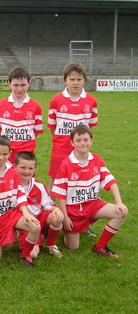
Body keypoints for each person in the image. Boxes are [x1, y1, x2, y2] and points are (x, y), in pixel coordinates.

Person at [52, 125, 128, 259]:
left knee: (121, 213)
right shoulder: (66, 164)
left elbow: (111, 181)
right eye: (78, 140)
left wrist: (119, 203)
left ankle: (100, 246)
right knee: (73, 248)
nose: (82, 143)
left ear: (91, 141)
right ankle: (69, 232)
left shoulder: (96, 160)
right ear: (72, 142)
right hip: (73, 209)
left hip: (92, 204)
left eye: (86, 140)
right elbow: (60, 195)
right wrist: (66, 216)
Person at [0, 135, 41, 269]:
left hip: (10, 215)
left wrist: (26, 213)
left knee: (35, 226)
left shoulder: (13, 173)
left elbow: (20, 194)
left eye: (5, 154)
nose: (1, 157)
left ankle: (26, 256)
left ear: (10, 153)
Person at [47, 62, 99, 237]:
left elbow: (90, 127)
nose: (75, 83)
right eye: (72, 79)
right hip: (60, 150)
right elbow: (53, 127)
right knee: (54, 184)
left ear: (84, 80)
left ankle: (83, 223)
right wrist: (64, 141)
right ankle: (48, 218)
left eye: (79, 79)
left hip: (81, 152)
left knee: (79, 187)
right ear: (65, 80)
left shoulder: (91, 101)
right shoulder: (56, 100)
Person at [14, 151, 64, 259]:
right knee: (32, 254)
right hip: (26, 223)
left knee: (56, 217)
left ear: (35, 168)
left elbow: (48, 205)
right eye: (23, 167)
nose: (27, 171)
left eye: (30, 168)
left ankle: (51, 244)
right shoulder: (10, 186)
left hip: (39, 217)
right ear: (14, 167)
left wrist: (56, 209)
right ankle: (35, 237)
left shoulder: (39, 186)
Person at [0, 67, 43, 164]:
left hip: (27, 153)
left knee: (25, 177)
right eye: (15, 85)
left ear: (29, 83)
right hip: (7, 153)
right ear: (9, 84)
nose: (19, 89)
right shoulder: (1, 105)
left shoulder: (36, 106)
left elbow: (36, 132)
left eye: (23, 85)